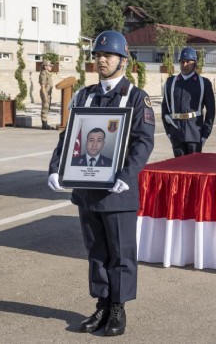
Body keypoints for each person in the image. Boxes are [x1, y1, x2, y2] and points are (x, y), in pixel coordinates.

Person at [47, 30, 155, 337]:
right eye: (97, 55)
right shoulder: (84, 95)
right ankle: (102, 303)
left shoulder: (136, 97)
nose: (101, 60)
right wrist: (56, 168)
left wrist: (126, 175)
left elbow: (143, 142)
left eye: (107, 55)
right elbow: (68, 138)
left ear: (123, 60)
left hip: (118, 192)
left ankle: (118, 308)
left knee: (120, 253)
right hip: (87, 191)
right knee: (96, 252)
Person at [161, 47, 216, 157]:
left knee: (193, 170)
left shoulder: (203, 83)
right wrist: (168, 131)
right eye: (182, 62)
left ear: (194, 63)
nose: (184, 65)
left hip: (195, 133)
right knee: (179, 170)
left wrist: (205, 133)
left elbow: (211, 110)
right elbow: (165, 108)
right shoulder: (171, 83)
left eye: (188, 62)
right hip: (176, 133)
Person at [39, 59, 55, 130]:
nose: (51, 67)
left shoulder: (48, 73)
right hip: (45, 92)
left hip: (48, 93)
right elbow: (42, 86)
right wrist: (45, 95)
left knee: (47, 107)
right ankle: (44, 124)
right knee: (45, 107)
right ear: (45, 66)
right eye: (50, 66)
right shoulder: (43, 73)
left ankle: (45, 123)